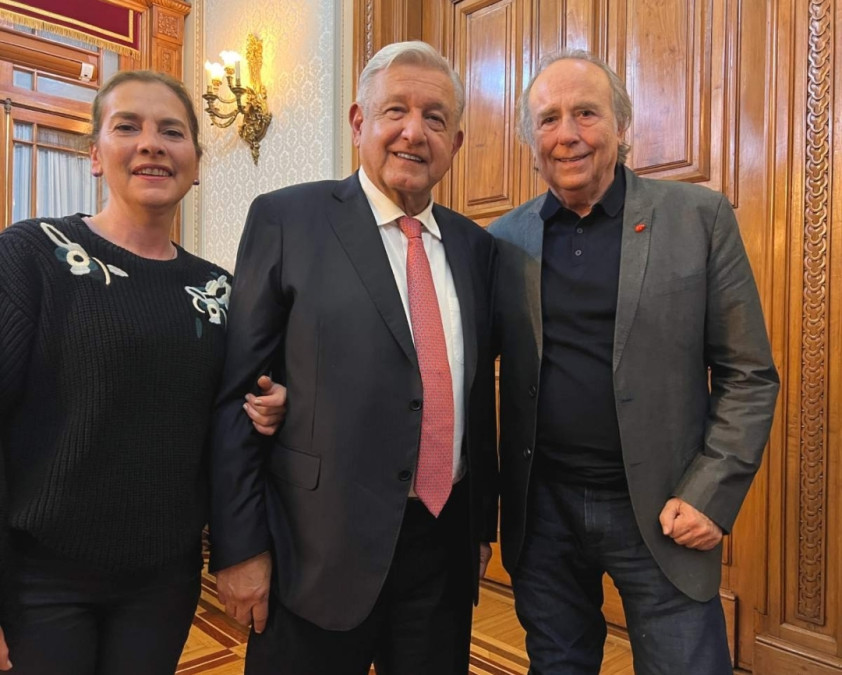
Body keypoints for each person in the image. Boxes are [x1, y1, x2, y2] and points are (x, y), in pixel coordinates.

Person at [209, 40, 498, 674]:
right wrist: (239, 548)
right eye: (396, 110)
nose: (414, 132)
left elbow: (478, 397)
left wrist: (482, 526)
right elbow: (239, 392)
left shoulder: (478, 249)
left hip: (442, 550)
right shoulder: (288, 218)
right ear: (358, 122)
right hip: (316, 550)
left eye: (436, 117)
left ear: (456, 140)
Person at [489, 50, 779, 673]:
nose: (567, 134)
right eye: (547, 120)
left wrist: (711, 494)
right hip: (542, 516)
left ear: (623, 126)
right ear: (529, 141)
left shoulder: (699, 219)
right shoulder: (503, 242)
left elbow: (748, 375)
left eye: (586, 113)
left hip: (663, 511)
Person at [0, 70, 286, 675]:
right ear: (96, 155)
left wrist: (275, 404)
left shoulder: (219, 290)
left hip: (163, 578)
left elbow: (229, 413)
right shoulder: (32, 254)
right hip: (42, 577)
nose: (151, 143)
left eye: (172, 131)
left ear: (197, 163)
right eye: (127, 127)